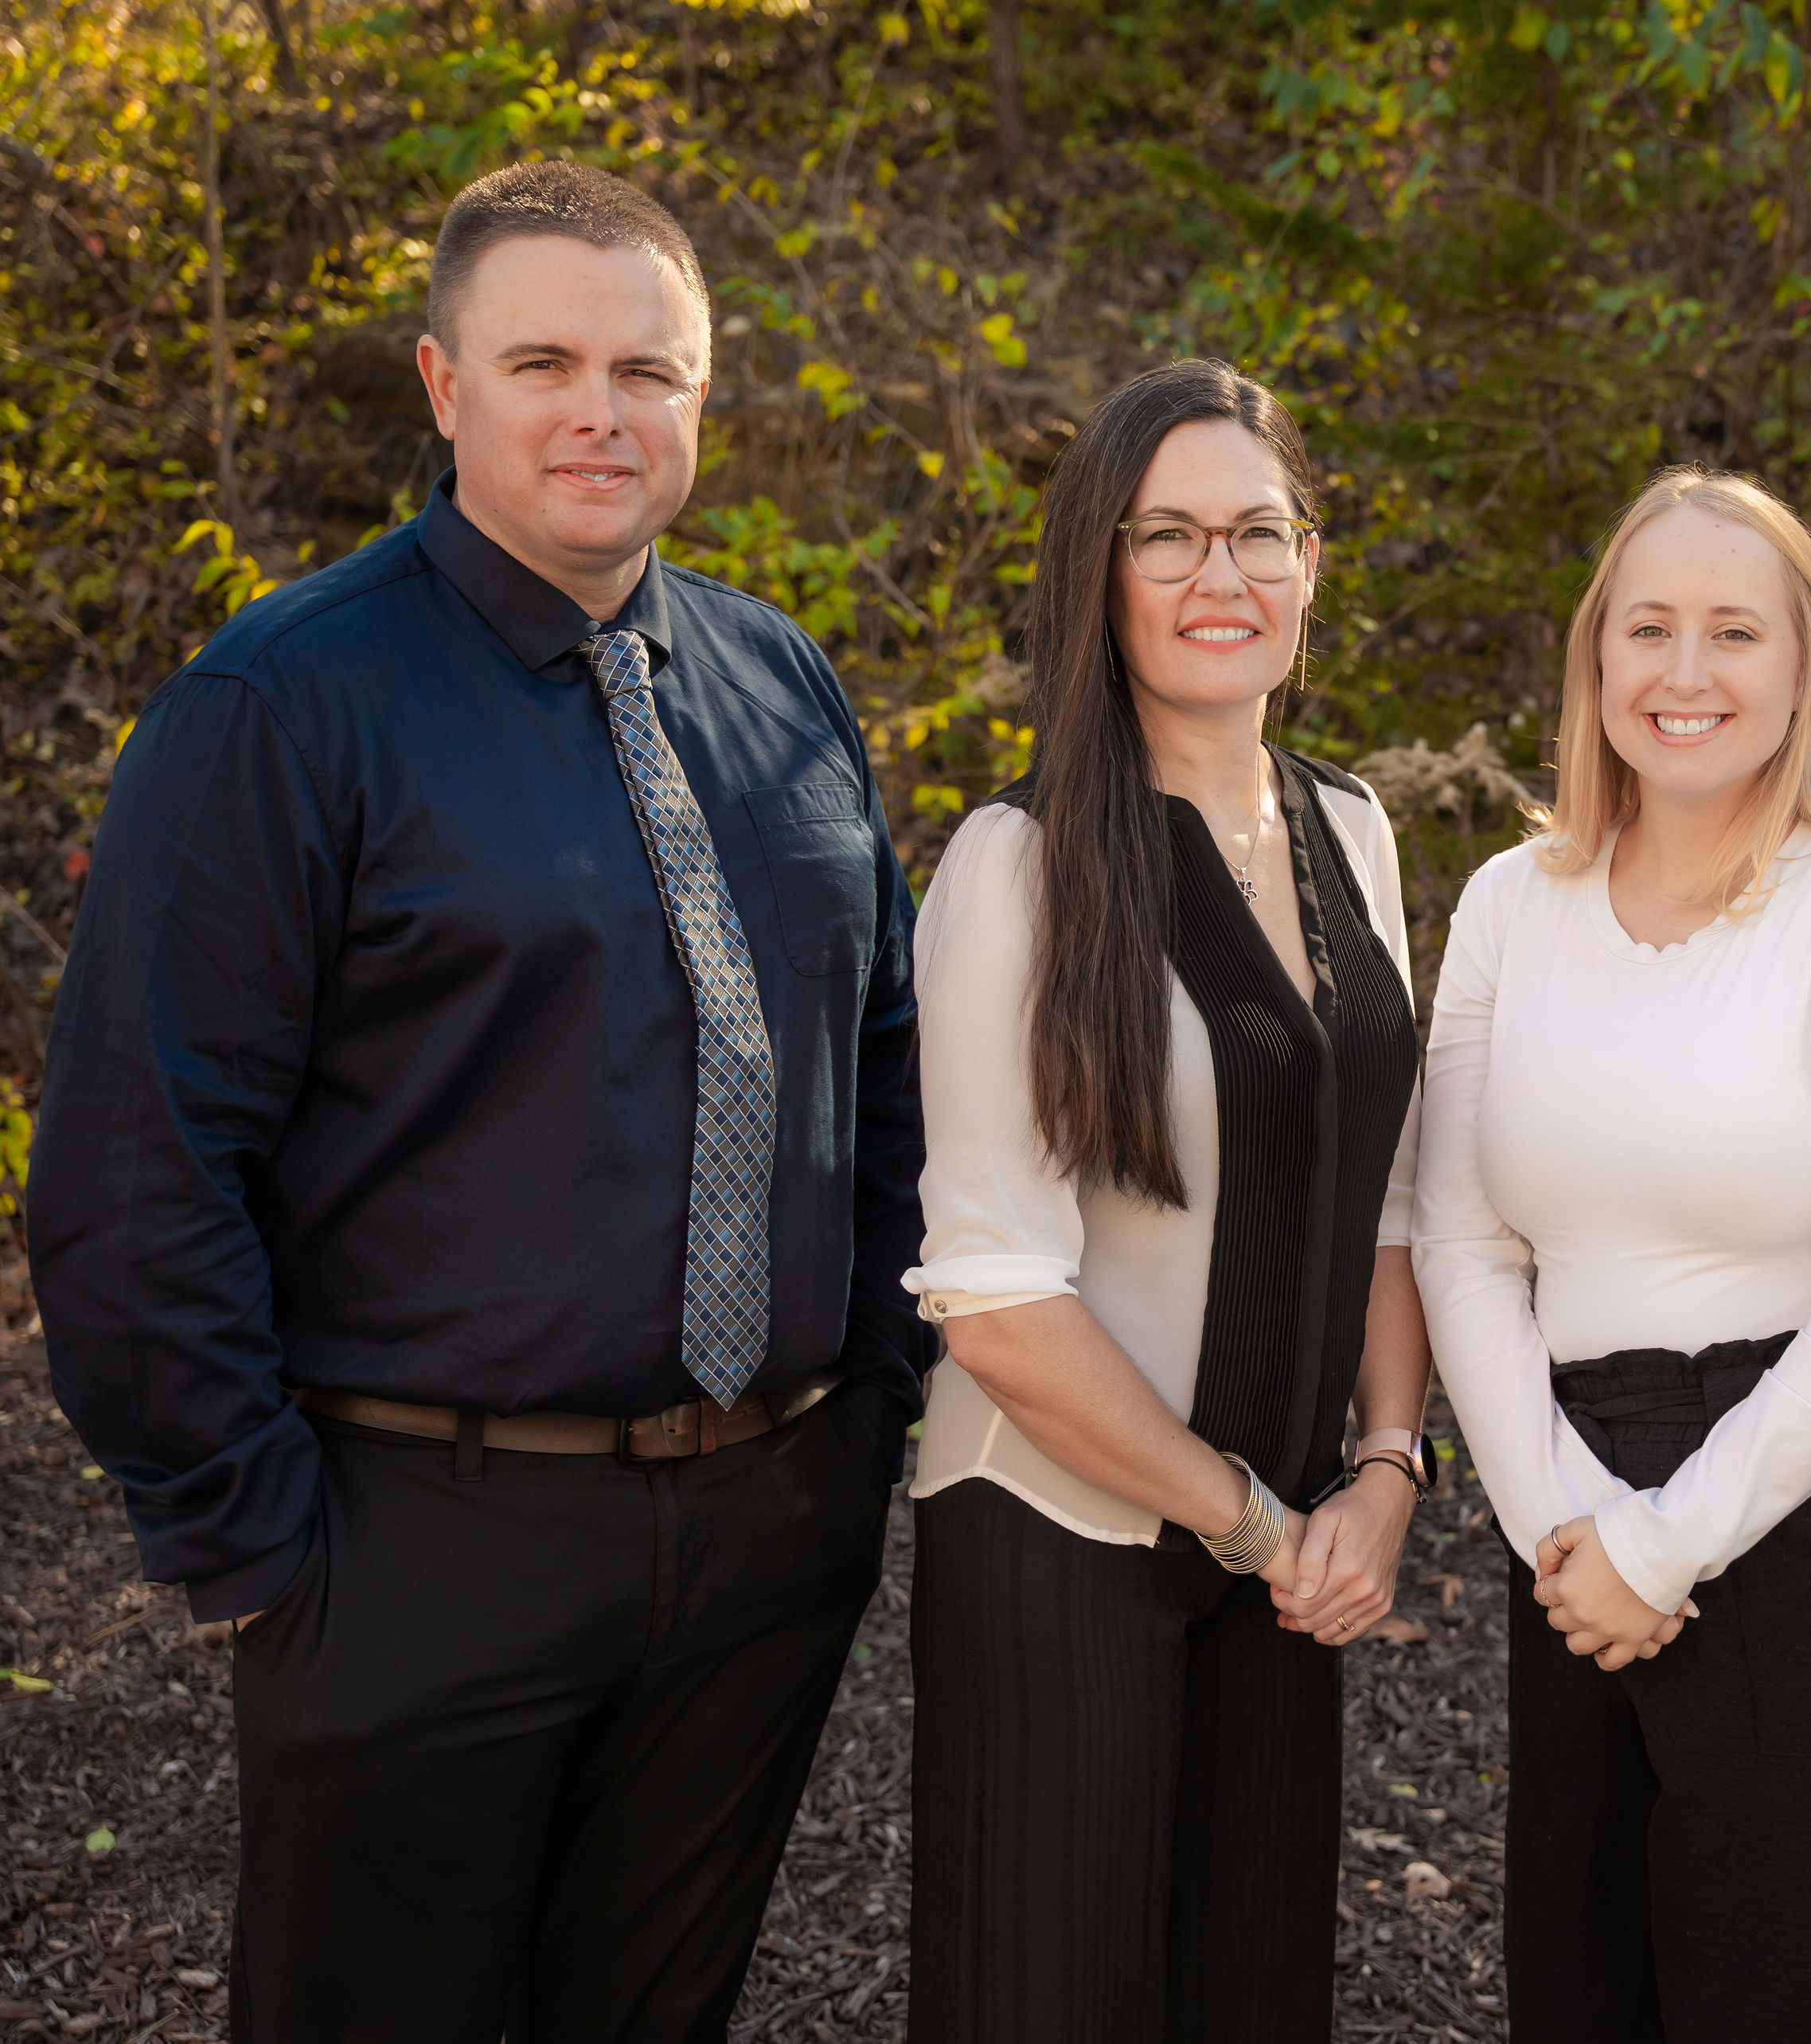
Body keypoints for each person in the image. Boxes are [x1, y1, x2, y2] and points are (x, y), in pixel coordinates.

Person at [26, 161, 926, 2041]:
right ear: (446, 389)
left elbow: (886, 1062)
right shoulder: (281, 706)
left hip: (768, 1539)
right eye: (544, 361)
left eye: (648, 371)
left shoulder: (782, 681)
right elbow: (134, 1162)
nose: (601, 411)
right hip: (416, 1547)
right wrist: (260, 1554)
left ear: (704, 397)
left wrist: (865, 1421)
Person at [1412, 467, 1811, 2042]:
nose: (1687, 674)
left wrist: (1662, 1549)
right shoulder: (1507, 905)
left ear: (1805, 668)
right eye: (1649, 627)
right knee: (1591, 1988)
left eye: (1735, 632)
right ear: (1594, 657)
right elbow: (1464, 1245)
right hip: (1582, 1511)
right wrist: (1568, 1533)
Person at [899, 357, 1429, 2042]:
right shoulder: (1026, 861)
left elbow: (1389, 1197)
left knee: (1250, 1998)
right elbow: (994, 1302)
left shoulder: (1355, 828)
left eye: (1261, 534)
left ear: (1313, 562)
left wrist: (1386, 1475)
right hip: (1068, 1536)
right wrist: (1256, 1518)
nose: (1225, 580)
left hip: (1285, 1541)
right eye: (1172, 538)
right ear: (1098, 569)